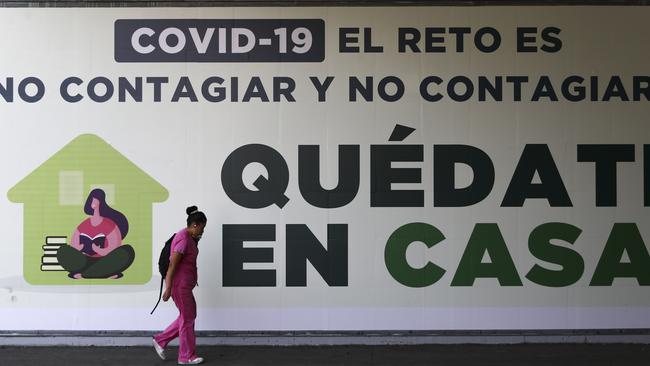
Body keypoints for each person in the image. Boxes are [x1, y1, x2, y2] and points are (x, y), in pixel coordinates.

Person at [153, 206, 207, 365]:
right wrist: (168, 288)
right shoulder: (183, 239)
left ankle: (160, 340)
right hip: (179, 285)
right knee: (188, 318)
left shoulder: (190, 238)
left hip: (184, 285)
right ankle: (186, 356)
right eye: (202, 228)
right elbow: (172, 266)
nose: (202, 231)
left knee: (187, 316)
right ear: (195, 224)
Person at [57, 188, 134, 279]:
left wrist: (99, 250)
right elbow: (73, 246)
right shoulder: (84, 224)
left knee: (127, 251)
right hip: (85, 261)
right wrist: (79, 248)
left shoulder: (109, 224)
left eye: (95, 199)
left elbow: (114, 247)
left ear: (100, 202)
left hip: (105, 261)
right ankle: (101, 273)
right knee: (63, 250)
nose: (92, 201)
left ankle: (88, 274)